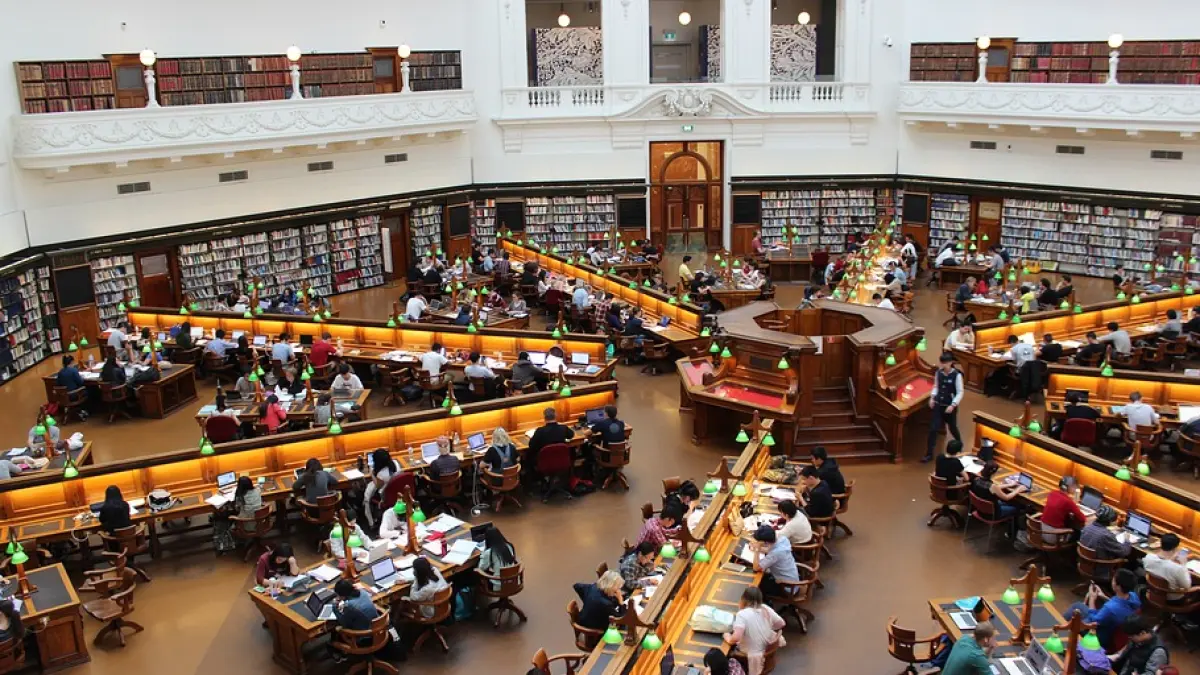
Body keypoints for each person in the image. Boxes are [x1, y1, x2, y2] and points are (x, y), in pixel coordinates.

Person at [1066, 569, 1142, 651]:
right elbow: (1119, 605)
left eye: (1114, 579)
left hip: (1102, 634)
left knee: (1075, 613)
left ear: (1118, 586)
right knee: (1078, 606)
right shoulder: (1133, 596)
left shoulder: (1110, 608)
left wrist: (1092, 598)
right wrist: (1103, 596)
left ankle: (1063, 631)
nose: (1112, 580)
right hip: (1114, 625)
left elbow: (1094, 620)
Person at [722, 587, 785, 675]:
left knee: (728, 651)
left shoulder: (742, 614)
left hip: (752, 651)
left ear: (743, 599)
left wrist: (728, 637)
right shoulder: (765, 608)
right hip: (767, 646)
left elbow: (736, 638)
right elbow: (781, 623)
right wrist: (766, 627)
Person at [925, 353, 964, 462]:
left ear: (950, 363)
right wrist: (932, 397)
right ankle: (929, 454)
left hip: (949, 406)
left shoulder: (957, 375)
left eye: (945, 363)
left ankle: (960, 445)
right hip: (938, 405)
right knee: (933, 429)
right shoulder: (938, 373)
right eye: (942, 363)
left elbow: (960, 392)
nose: (943, 365)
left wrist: (953, 404)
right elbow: (936, 386)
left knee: (953, 427)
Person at [970, 462, 1025, 538]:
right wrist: (1018, 490)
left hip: (980, 511)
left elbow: (996, 488)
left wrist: (1010, 485)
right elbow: (1007, 497)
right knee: (1017, 507)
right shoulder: (992, 486)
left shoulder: (976, 480)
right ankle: (1010, 534)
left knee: (1007, 503)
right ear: (994, 473)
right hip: (993, 514)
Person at [213, 475, 262, 554]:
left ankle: (230, 542)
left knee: (227, 516)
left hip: (246, 524)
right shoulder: (258, 490)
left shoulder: (241, 496)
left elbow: (236, 508)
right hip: (261, 521)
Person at [1143, 532, 1196, 602]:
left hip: (1153, 593)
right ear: (1175, 548)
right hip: (1172, 600)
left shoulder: (1148, 557)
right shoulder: (1177, 568)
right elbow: (1187, 586)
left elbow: (1162, 566)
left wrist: (1171, 559)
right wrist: (1184, 564)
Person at [332, 578, 379, 648]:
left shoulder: (349, 606)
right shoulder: (362, 592)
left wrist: (335, 607)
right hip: (377, 629)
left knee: (336, 632)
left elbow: (345, 625)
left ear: (342, 596)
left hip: (365, 637)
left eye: (338, 595)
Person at [1041, 476, 1086, 541]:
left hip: (1043, 531)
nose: (1076, 488)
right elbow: (1082, 519)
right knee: (1077, 532)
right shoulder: (1068, 501)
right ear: (1069, 487)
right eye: (1074, 486)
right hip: (1053, 537)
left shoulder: (1052, 493)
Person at [363, 448, 400, 526]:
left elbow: (377, 485)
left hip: (385, 496)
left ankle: (371, 523)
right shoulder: (396, 463)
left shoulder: (381, 474)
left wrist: (372, 474)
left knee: (367, 497)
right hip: (398, 493)